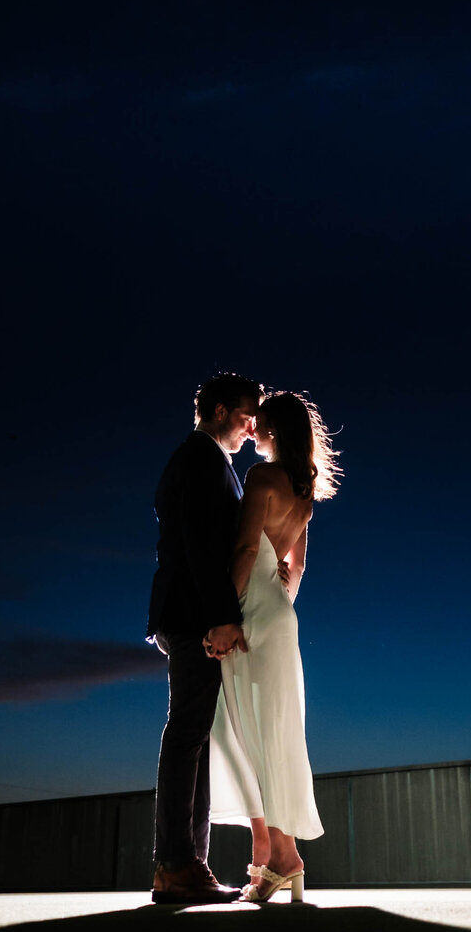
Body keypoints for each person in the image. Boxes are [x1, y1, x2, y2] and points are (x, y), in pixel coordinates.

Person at [207, 391, 341, 902]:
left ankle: (280, 856)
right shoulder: (304, 492)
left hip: (251, 611)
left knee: (243, 731)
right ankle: (274, 857)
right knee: (273, 734)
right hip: (282, 615)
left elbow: (244, 547)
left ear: (276, 432)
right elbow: (298, 566)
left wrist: (227, 614)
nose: (254, 432)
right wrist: (279, 602)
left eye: (260, 425)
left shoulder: (262, 479)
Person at [146, 372, 262, 905]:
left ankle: (188, 863)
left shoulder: (208, 461)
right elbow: (200, 549)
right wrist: (222, 617)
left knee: (193, 734)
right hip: (194, 616)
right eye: (245, 416)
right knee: (187, 733)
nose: (250, 427)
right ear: (219, 411)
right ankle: (175, 865)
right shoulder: (198, 460)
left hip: (192, 613)